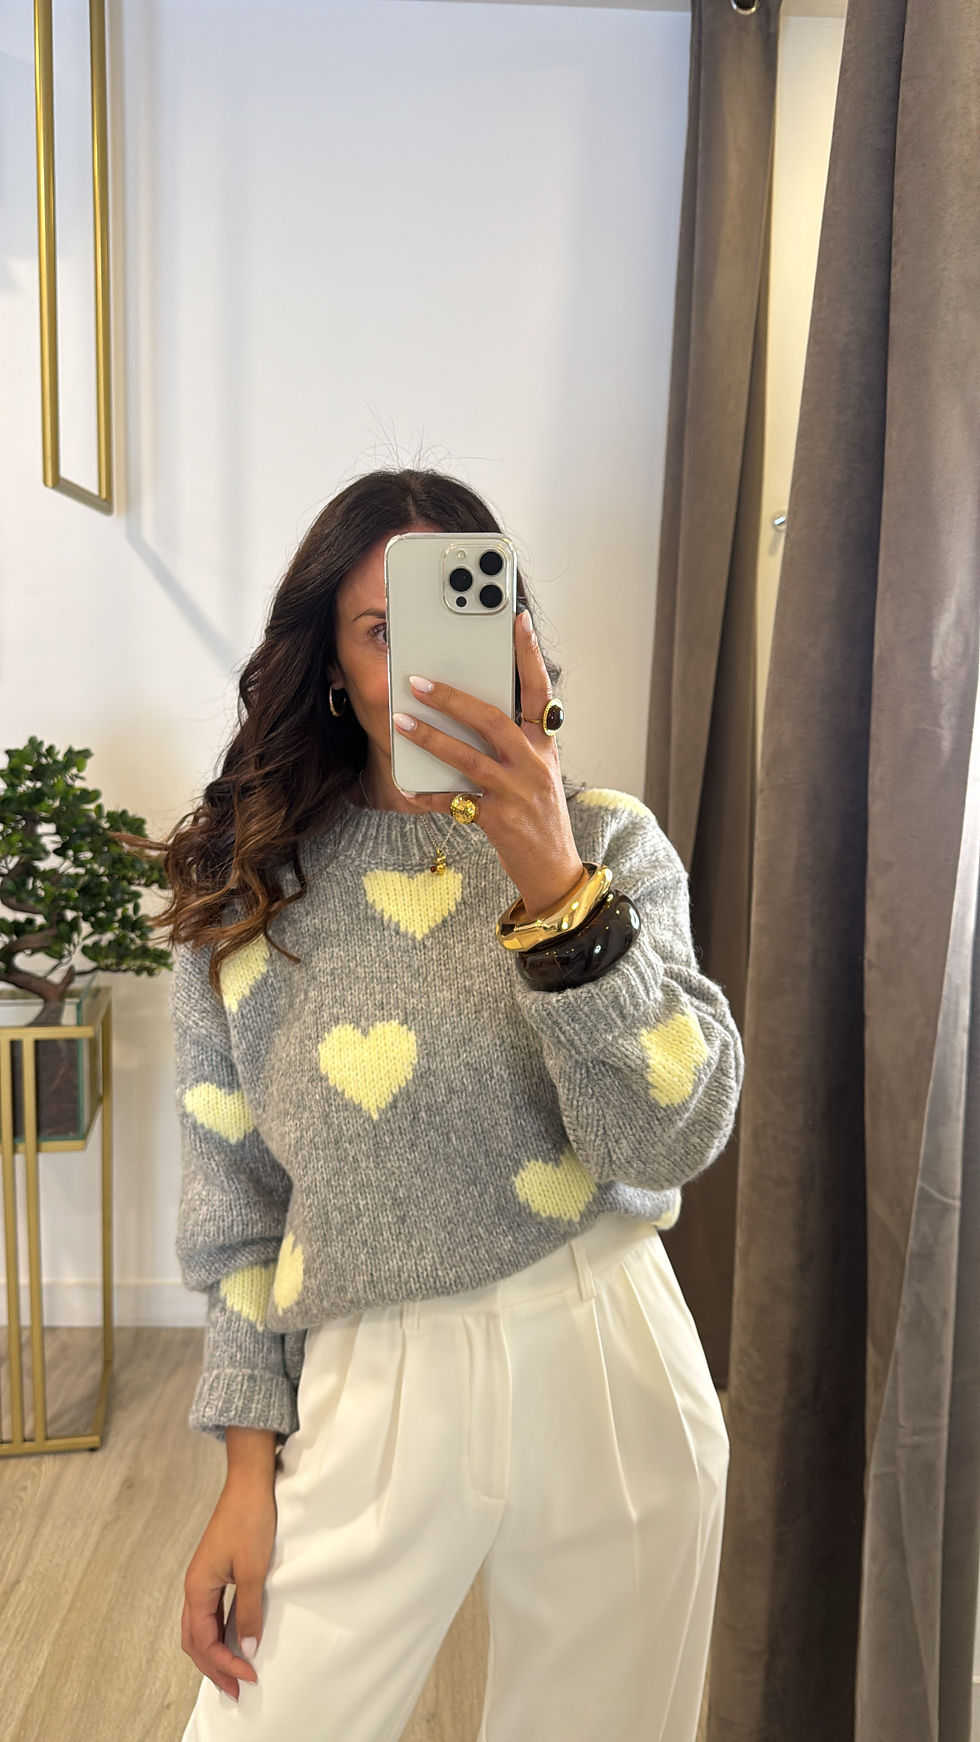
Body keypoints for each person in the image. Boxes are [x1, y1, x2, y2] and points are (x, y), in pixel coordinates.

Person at [150, 468, 743, 1741]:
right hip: (374, 1365)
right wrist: (247, 1470)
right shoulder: (247, 890)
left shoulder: (604, 843)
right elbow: (237, 1209)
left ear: (514, 634)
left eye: (456, 617)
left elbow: (668, 1134)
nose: (421, 665)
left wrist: (553, 884)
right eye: (382, 628)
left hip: (608, 1344)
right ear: (330, 664)